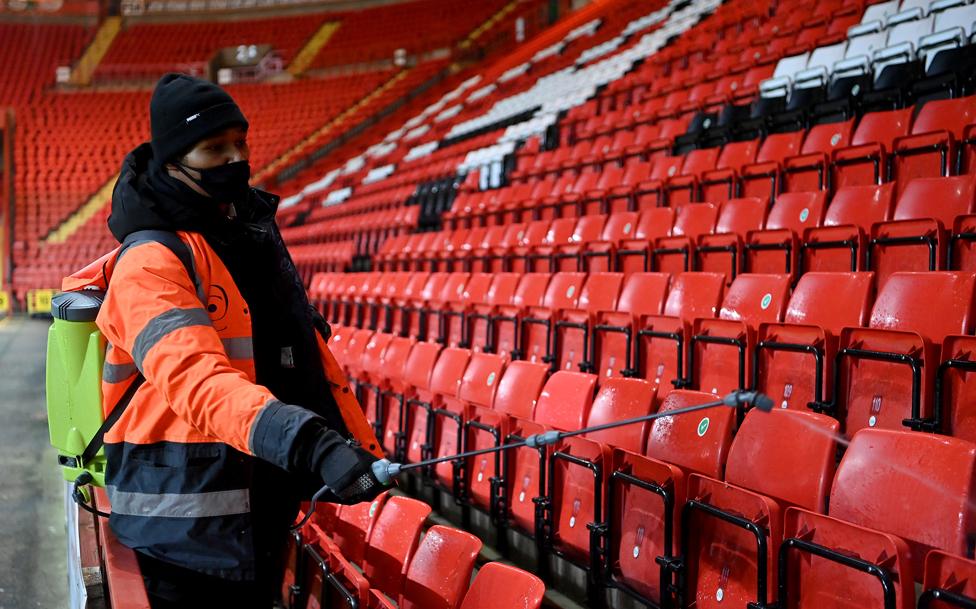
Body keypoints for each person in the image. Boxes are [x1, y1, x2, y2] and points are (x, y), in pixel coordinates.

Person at [67, 73, 387, 608]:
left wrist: (349, 441)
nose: (235, 159)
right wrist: (309, 440)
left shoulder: (241, 237)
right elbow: (197, 379)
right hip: (182, 535)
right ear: (171, 160)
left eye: (240, 143)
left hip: (250, 513)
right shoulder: (150, 262)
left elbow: (299, 356)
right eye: (214, 148)